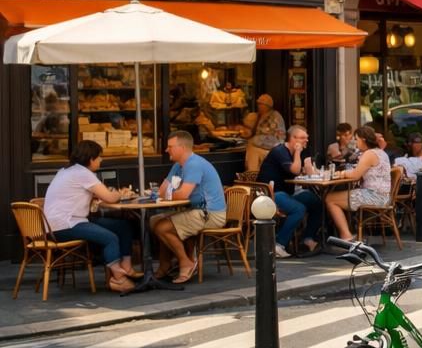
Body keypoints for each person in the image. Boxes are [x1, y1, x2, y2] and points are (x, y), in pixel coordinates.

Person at [43, 140, 141, 293]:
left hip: (54, 225)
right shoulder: (83, 173)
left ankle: (127, 267)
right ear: (90, 159)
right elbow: (110, 198)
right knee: (110, 238)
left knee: (123, 226)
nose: (101, 160)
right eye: (99, 157)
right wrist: (120, 193)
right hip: (66, 225)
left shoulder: (65, 171)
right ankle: (118, 279)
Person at [152, 130, 229, 284]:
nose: (166, 150)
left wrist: (168, 194)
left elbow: (182, 195)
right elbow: (161, 190)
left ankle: (186, 263)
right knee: (154, 221)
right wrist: (168, 194)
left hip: (210, 214)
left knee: (162, 227)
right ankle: (165, 265)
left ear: (182, 148)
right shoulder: (178, 165)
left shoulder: (194, 164)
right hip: (194, 211)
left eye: (170, 147)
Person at [257, 125, 327, 257]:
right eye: (302, 138)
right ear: (293, 139)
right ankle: (278, 244)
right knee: (298, 209)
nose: (306, 140)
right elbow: (295, 170)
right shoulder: (280, 151)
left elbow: (306, 170)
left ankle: (307, 238)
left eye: (307, 138)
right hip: (269, 194)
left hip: (287, 192)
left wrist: (308, 164)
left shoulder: (299, 151)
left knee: (317, 202)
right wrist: (298, 153)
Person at [322, 124, 391, 242]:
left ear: (363, 140)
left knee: (329, 199)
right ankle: (346, 234)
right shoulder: (380, 152)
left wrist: (342, 173)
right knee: (336, 197)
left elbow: (355, 175)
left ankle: (346, 236)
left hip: (374, 196)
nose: (355, 142)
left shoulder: (369, 154)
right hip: (383, 196)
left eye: (356, 139)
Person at [244, 93, 286, 173]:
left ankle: (252, 173)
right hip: (260, 146)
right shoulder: (259, 116)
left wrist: (254, 140)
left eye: (260, 104)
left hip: (271, 148)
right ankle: (252, 173)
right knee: (252, 149)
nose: (258, 106)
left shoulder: (274, 116)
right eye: (258, 104)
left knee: (253, 150)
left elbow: (276, 139)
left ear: (267, 105)